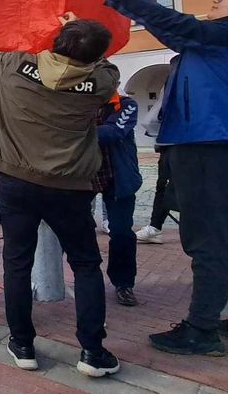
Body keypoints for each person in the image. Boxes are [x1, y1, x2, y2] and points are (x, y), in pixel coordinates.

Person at [80, 0, 228, 356]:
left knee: (206, 238)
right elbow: (175, 32)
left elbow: (180, 26)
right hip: (211, 141)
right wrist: (132, 0)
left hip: (205, 141)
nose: (215, 0)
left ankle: (201, 329)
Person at [0, 13, 121, 377]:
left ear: (56, 42)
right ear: (93, 56)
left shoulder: (13, 66)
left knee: (17, 263)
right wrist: (86, 39)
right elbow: (107, 67)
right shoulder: (100, 81)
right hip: (70, 187)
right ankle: (93, 352)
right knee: (85, 265)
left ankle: (23, 344)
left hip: (17, 183)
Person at [95, 95, 143, 307]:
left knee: (122, 232)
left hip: (119, 178)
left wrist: (70, 132)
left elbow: (113, 132)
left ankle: (124, 283)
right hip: (84, 178)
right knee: (77, 232)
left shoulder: (126, 104)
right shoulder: (76, 101)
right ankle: (88, 279)